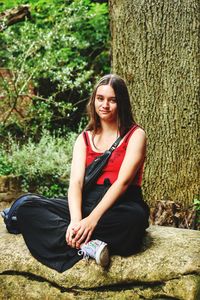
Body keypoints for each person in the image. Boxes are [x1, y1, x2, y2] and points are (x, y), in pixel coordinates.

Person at [17, 74, 150, 273]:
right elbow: (76, 184)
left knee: (133, 222)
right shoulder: (84, 138)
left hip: (121, 204)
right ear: (93, 100)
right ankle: (88, 246)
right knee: (27, 208)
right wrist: (76, 221)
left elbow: (122, 183)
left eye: (112, 100)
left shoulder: (136, 135)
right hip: (86, 203)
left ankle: (74, 240)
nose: (105, 105)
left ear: (121, 102)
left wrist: (92, 220)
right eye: (100, 98)